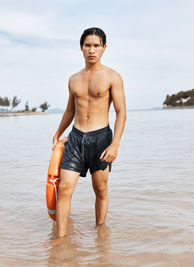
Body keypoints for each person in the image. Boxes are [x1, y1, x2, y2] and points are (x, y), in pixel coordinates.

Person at [52, 27, 126, 238]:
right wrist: (57, 134)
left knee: (100, 190)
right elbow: (69, 110)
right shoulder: (73, 79)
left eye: (96, 45)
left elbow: (121, 113)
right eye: (87, 45)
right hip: (75, 138)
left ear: (104, 48)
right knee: (64, 188)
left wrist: (115, 144)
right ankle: (60, 240)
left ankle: (101, 235)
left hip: (101, 139)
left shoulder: (113, 77)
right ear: (81, 48)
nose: (91, 50)